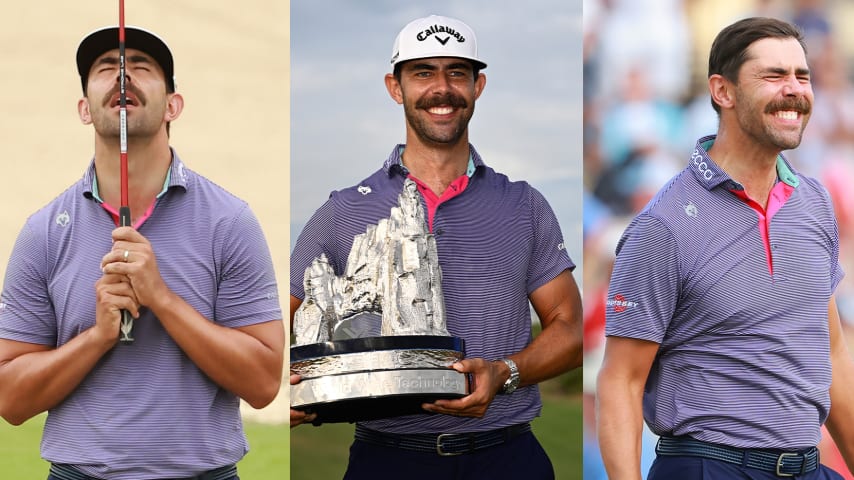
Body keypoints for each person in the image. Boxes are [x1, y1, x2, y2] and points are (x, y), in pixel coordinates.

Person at [289, 14, 583, 480]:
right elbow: (273, 330)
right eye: (423, 72)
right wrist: (289, 390)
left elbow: (571, 330)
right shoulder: (342, 211)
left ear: (477, 86)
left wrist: (505, 372)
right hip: (387, 459)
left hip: (506, 456)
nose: (441, 88)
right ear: (395, 86)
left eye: (456, 72)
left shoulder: (524, 205)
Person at [0, 26, 285, 479]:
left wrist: (163, 299)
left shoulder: (229, 221)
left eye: (141, 67)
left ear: (174, 104)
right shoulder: (43, 232)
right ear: (84, 109)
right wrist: (96, 338)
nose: (122, 76)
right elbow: (11, 400)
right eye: (106, 68)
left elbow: (264, 383)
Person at [596, 16, 854, 480]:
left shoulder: (815, 203)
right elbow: (621, 380)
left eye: (802, 75)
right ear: (723, 91)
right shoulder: (663, 224)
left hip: (807, 466)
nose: (794, 89)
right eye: (774, 76)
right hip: (708, 467)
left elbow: (832, 353)